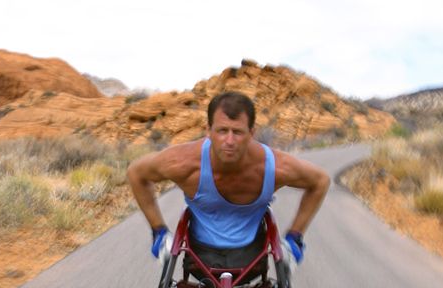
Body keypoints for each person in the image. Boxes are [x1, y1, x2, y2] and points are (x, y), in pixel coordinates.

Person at [127, 91, 330, 272]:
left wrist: (295, 237)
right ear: (209, 130)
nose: (230, 141)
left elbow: (320, 181)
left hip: (251, 257)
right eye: (222, 131)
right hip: (200, 256)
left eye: (238, 132)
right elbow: (136, 173)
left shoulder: (274, 167)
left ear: (252, 133)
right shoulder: (183, 162)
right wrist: (159, 232)